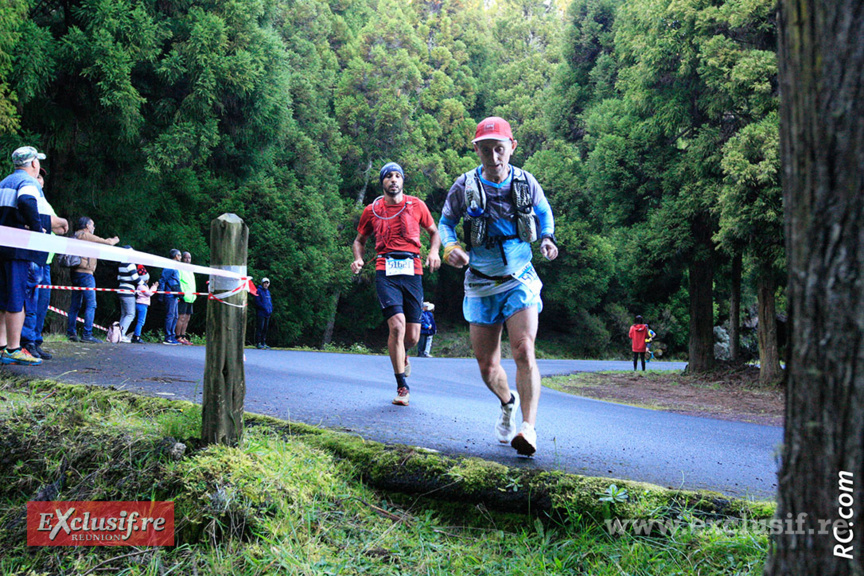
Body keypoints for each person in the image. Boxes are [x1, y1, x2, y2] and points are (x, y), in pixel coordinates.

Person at [439, 117, 558, 456]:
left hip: (519, 278)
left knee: (523, 349)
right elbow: (446, 222)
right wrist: (450, 248)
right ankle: (508, 402)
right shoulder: (463, 186)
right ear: (476, 150)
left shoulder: (525, 182)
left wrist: (547, 239)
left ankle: (528, 429)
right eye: (486, 150)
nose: (494, 157)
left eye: (500, 149)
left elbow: (543, 211)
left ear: (512, 148)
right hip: (480, 282)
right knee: (487, 366)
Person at [351, 162, 441, 406]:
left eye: (397, 176)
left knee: (412, 336)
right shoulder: (372, 210)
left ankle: (405, 356)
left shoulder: (416, 205)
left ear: (403, 181)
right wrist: (358, 259)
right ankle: (402, 386)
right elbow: (359, 240)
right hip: (385, 270)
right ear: (382, 182)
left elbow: (434, 232)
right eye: (388, 176)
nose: (393, 180)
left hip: (412, 270)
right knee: (397, 327)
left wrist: (434, 253)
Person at [0, 146, 67, 365]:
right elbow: (27, 202)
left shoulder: (4, 182)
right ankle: (13, 348)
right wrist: (38, 230)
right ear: (34, 164)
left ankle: (2, 347)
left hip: (2, 248)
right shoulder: (28, 183)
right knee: (16, 300)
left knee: (2, 300)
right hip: (18, 251)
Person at [21, 167, 61, 359]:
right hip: (32, 259)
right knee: (30, 303)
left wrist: (52, 223)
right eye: (37, 176)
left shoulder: (44, 200)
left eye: (42, 178)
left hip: (46, 260)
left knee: (42, 304)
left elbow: (61, 228)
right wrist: (52, 223)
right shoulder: (28, 196)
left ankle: (35, 341)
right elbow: (53, 223)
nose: (41, 180)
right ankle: (25, 343)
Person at [66, 217, 119, 343]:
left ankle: (71, 333)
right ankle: (87, 334)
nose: (94, 228)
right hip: (86, 274)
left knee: (75, 305)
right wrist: (115, 240)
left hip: (76, 273)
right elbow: (106, 242)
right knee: (91, 304)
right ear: (87, 226)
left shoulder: (75, 236)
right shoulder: (84, 235)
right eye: (92, 225)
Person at [159, 249, 182, 345]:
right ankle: (168, 336)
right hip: (169, 294)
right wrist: (161, 294)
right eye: (179, 255)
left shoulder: (175, 267)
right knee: (170, 315)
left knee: (175, 316)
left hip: (175, 294)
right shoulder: (169, 266)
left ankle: (172, 336)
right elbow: (163, 280)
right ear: (176, 256)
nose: (180, 257)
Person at [116, 246, 138, 343]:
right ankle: (122, 334)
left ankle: (118, 334)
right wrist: (144, 284)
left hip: (120, 289)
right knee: (130, 314)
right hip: (128, 291)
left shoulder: (121, 264)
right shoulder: (131, 264)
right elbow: (135, 278)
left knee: (124, 314)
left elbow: (118, 277)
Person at [131, 265, 158, 343]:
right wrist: (155, 287)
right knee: (141, 322)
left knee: (140, 321)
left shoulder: (143, 286)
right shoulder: (141, 286)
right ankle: (137, 336)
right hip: (142, 305)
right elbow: (149, 293)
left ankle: (136, 335)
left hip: (142, 304)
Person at [175, 251, 196, 345]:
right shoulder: (180, 269)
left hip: (191, 297)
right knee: (181, 317)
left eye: (189, 258)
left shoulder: (191, 270)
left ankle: (183, 336)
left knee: (187, 318)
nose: (188, 260)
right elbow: (179, 282)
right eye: (186, 258)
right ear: (182, 259)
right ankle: (177, 336)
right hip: (184, 296)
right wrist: (181, 294)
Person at [253, 277, 272, 349]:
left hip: (267, 313)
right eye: (265, 283)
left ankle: (263, 343)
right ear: (262, 283)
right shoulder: (258, 291)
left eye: (267, 283)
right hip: (261, 313)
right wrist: (264, 308)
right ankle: (258, 343)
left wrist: (270, 309)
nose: (266, 284)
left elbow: (269, 302)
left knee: (265, 329)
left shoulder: (268, 292)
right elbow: (258, 302)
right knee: (260, 328)